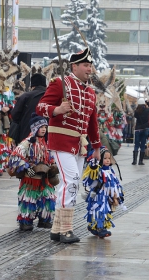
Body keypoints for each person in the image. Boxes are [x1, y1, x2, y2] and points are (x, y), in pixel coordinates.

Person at [36, 47, 101, 243]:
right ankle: (66, 229)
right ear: (74, 66)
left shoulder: (90, 91)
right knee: (71, 181)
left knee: (72, 183)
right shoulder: (60, 83)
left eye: (90, 65)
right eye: (85, 65)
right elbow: (40, 107)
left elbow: (92, 121)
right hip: (61, 140)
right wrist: (57, 109)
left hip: (80, 144)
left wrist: (97, 147)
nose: (89, 69)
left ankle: (57, 228)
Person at [7, 113, 56, 231]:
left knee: (48, 198)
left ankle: (44, 220)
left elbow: (50, 156)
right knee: (28, 200)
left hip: (44, 177)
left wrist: (52, 165)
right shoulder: (27, 142)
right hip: (31, 178)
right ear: (34, 128)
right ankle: (26, 222)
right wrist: (27, 167)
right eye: (41, 127)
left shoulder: (45, 142)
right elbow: (15, 156)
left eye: (45, 127)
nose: (44, 129)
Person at [82, 146, 126, 238]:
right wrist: (94, 164)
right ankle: (100, 228)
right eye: (105, 158)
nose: (107, 160)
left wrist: (118, 194)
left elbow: (115, 182)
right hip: (99, 196)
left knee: (106, 211)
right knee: (99, 211)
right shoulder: (98, 170)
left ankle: (93, 226)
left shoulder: (110, 170)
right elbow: (91, 178)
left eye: (109, 158)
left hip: (108, 196)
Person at [11, 73, 47, 145]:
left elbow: (14, 115)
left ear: (32, 86)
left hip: (26, 135)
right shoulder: (50, 97)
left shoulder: (25, 96)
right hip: (46, 137)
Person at [132, 99, 149, 165]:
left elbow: (135, 116)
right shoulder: (147, 111)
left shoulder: (136, 111)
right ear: (144, 104)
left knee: (136, 145)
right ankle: (140, 161)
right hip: (144, 129)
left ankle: (134, 161)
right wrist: (147, 102)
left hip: (137, 130)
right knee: (142, 145)